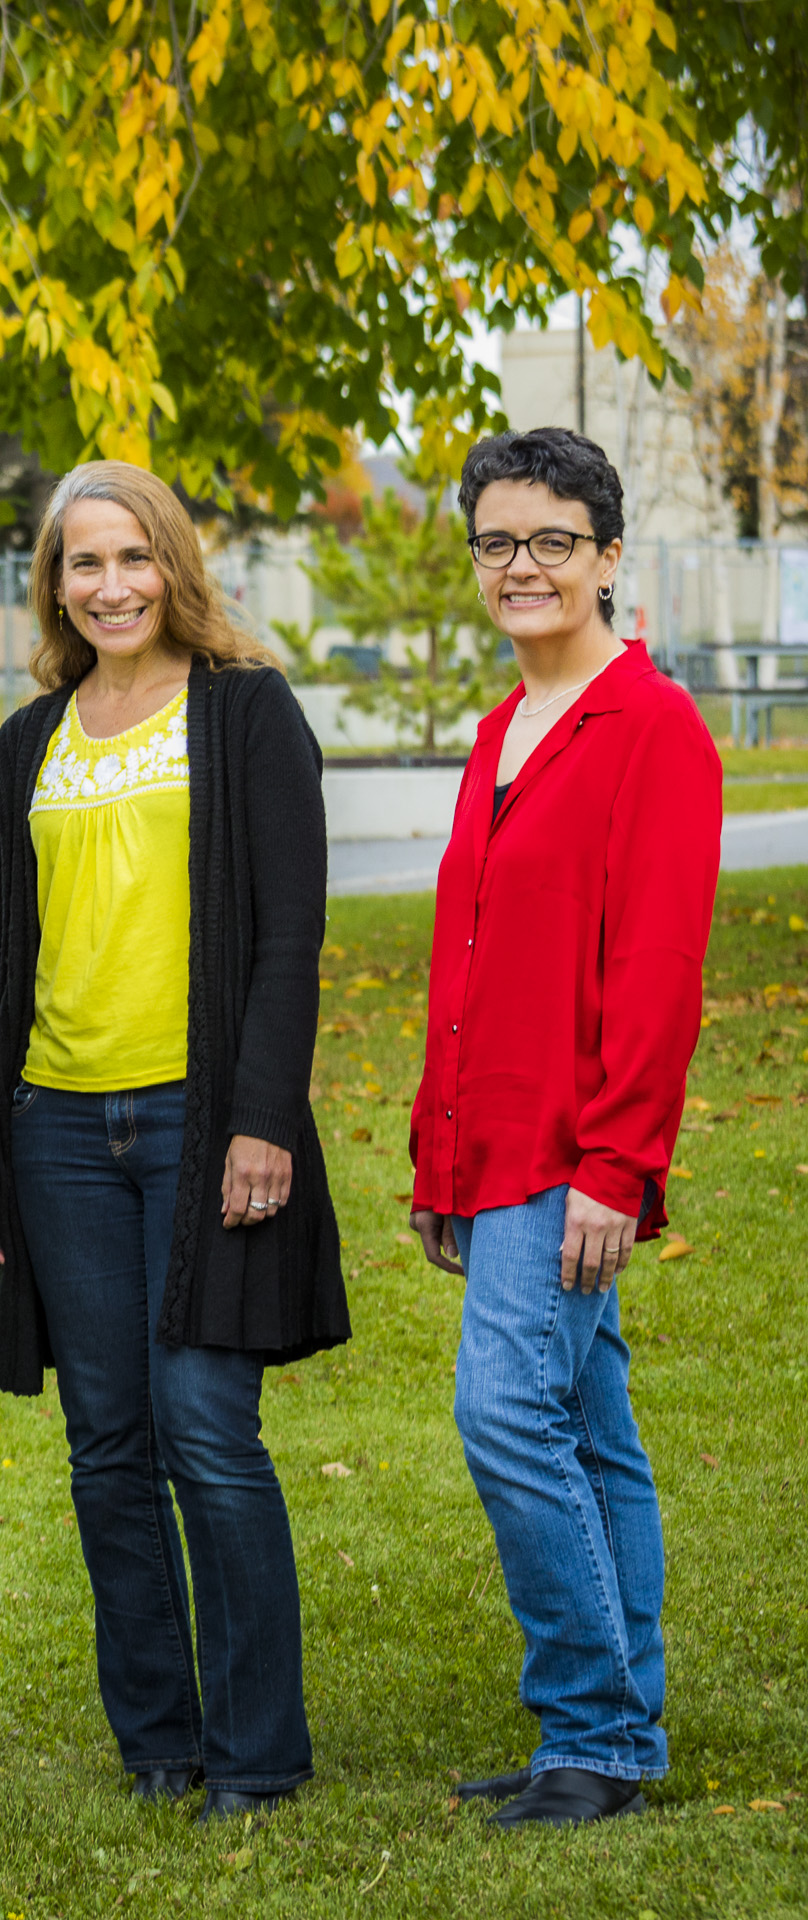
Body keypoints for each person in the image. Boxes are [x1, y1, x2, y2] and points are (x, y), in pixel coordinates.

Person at [0, 460, 345, 1823]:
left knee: (206, 1432)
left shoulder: (246, 713)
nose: (108, 586)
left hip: (198, 1121)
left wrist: (262, 1121)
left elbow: (290, 939)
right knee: (107, 1443)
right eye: (81, 564)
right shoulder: (32, 738)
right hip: (59, 1128)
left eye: (131, 559)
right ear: (55, 583)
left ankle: (257, 1752)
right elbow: (13, 958)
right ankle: (159, 1739)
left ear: (174, 565)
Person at [408, 428, 720, 1829]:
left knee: (506, 1416)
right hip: (491, 1146)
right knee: (591, 1431)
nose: (520, 567)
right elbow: (467, 957)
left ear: (606, 556)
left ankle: (594, 1726)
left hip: (569, 1150)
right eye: (496, 542)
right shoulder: (500, 731)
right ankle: (613, 1733)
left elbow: (655, 968)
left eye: (550, 542)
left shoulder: (652, 730)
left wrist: (618, 1166)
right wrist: (436, 1154)